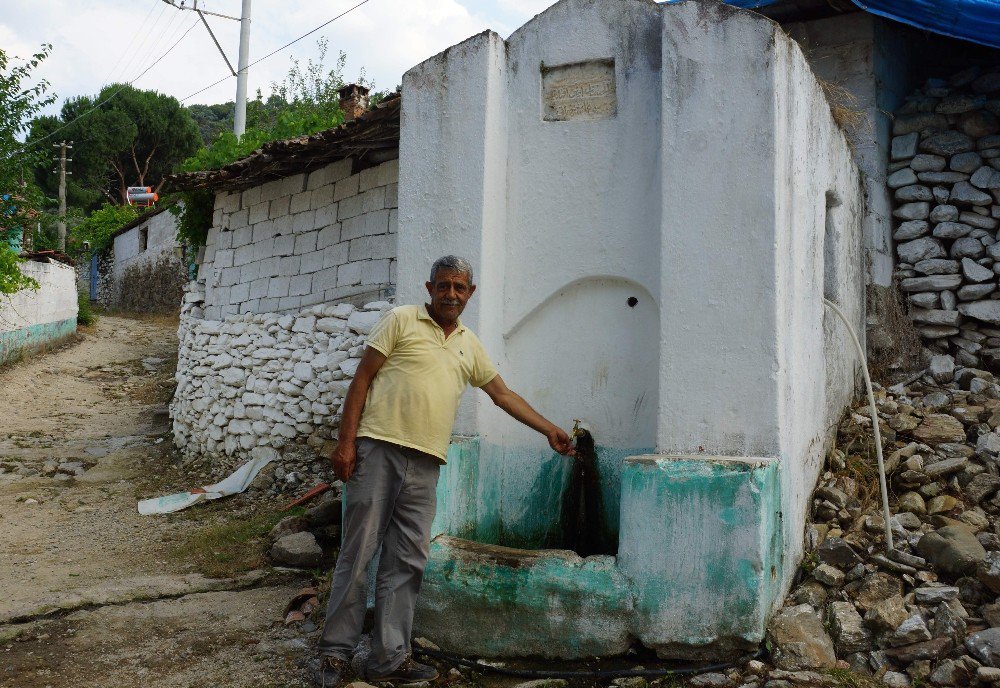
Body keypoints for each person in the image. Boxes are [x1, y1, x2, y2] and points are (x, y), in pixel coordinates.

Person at [314, 255, 575, 686]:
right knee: (358, 553)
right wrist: (345, 444)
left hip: (427, 462)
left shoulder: (469, 344)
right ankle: (334, 655)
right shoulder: (401, 320)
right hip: (378, 449)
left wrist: (548, 429)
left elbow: (502, 394)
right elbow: (361, 379)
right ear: (429, 287)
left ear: (470, 293)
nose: (450, 294)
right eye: (443, 286)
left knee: (407, 561)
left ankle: (389, 660)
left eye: (459, 288)